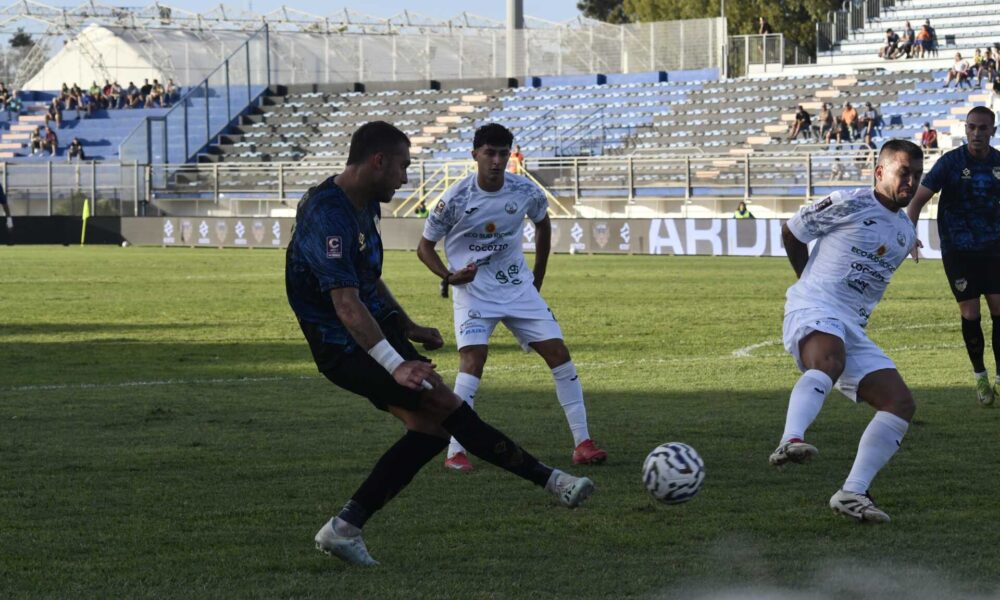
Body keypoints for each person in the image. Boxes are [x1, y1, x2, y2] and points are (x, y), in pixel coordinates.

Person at [285, 121, 594, 566]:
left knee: (430, 429)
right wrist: (395, 363)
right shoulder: (327, 213)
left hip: (374, 333)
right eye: (403, 167)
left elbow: (367, 280)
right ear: (378, 161)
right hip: (344, 345)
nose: (405, 178)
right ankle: (554, 482)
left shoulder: (363, 204)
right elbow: (346, 305)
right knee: (446, 405)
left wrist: (407, 326)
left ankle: (345, 528)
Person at [417, 123, 607, 472]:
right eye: (489, 153)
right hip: (474, 291)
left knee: (559, 353)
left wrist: (537, 278)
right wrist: (448, 276)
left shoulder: (525, 190)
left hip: (517, 287)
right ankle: (455, 451)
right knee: (473, 360)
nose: (496, 160)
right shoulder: (455, 198)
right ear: (475, 155)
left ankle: (583, 443)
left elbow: (543, 224)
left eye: (503, 153)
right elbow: (424, 247)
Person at [770, 139, 923, 523]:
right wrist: (806, 281)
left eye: (917, 176)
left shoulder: (905, 232)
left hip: (851, 327)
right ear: (880, 172)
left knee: (900, 403)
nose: (911, 182)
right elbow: (792, 231)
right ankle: (790, 439)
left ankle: (853, 492)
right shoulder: (849, 202)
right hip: (814, 307)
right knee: (829, 359)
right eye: (904, 173)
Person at [906, 107, 1000, 406]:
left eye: (983, 128)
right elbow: (917, 201)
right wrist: (909, 236)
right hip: (958, 250)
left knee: (999, 310)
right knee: (970, 314)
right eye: (972, 127)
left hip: (994, 249)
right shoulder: (950, 162)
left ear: (993, 130)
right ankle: (980, 376)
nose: (976, 133)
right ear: (965, 128)